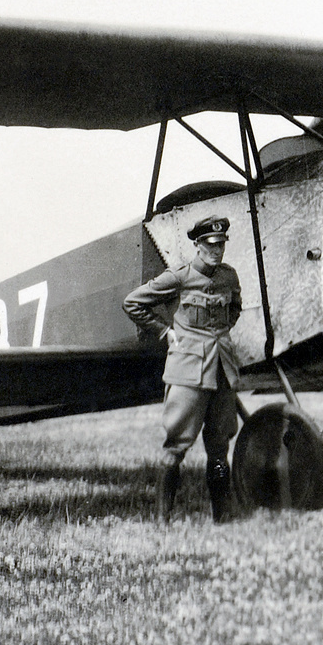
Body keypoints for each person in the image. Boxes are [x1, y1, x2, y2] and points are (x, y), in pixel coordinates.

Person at [123, 215, 244, 523]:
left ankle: (223, 519)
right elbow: (134, 302)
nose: (217, 251)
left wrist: (219, 334)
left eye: (221, 245)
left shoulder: (229, 277)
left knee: (219, 446)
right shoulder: (180, 276)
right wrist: (166, 332)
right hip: (189, 371)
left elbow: (235, 308)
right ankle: (163, 520)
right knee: (176, 445)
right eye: (211, 245)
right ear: (197, 245)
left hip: (221, 370)